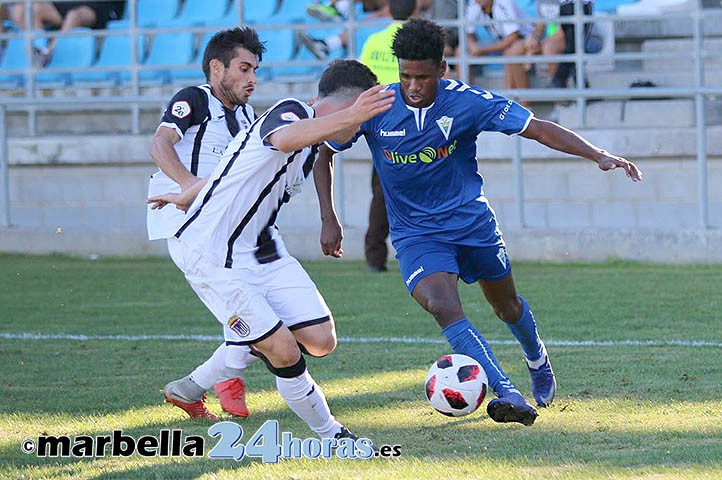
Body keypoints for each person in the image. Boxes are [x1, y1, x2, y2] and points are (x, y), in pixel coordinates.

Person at [315, 18, 642, 426]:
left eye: (422, 77)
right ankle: (508, 392)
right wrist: (329, 218)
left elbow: (537, 129)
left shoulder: (467, 101)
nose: (413, 86)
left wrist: (598, 155)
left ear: (442, 70)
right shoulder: (376, 106)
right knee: (441, 305)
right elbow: (324, 152)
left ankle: (537, 359)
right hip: (417, 234)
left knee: (506, 306)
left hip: (472, 225)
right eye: (405, 76)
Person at [147, 59, 395, 439]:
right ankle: (332, 435)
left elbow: (232, 169)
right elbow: (283, 138)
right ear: (348, 106)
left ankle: (245, 342)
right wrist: (355, 114)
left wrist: (189, 193)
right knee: (285, 351)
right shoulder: (291, 110)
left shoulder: (316, 141)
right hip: (212, 256)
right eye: (359, 120)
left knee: (321, 340)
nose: (360, 129)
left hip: (258, 251)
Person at [147, 26, 265, 421]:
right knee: (251, 316)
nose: (252, 79)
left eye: (255, 70)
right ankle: (221, 382)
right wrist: (189, 186)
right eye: (244, 69)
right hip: (188, 226)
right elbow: (159, 144)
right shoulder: (193, 99)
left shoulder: (247, 114)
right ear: (217, 68)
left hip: (229, 228)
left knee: (257, 311)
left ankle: (194, 387)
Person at [357, 0, 417, 272]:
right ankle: (420, 252)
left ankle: (374, 256)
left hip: (380, 122)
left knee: (381, 191)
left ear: (389, 10)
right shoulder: (417, 40)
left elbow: (362, 81)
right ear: (415, 10)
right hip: (414, 121)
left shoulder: (373, 40)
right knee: (423, 189)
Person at [11, 1, 125, 62]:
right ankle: (37, 48)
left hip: (101, 6)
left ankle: (48, 53)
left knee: (74, 16)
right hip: (71, 4)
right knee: (24, 8)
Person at [462, 0, 535, 93]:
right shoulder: (475, 4)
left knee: (511, 52)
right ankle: (465, 99)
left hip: (526, 40)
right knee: (460, 51)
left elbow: (513, 37)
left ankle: (522, 103)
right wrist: (472, 45)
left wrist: (482, 50)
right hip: (501, 42)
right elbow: (468, 33)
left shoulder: (504, 3)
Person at [299, 0, 390, 61]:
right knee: (354, 27)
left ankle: (336, 9)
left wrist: (372, 18)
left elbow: (392, 11)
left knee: (357, 28)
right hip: (372, 11)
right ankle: (335, 9)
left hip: (387, 16)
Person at [548, 0, 595, 88]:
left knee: (576, 48)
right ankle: (558, 79)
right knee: (575, 48)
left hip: (567, 7)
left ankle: (583, 86)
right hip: (578, 6)